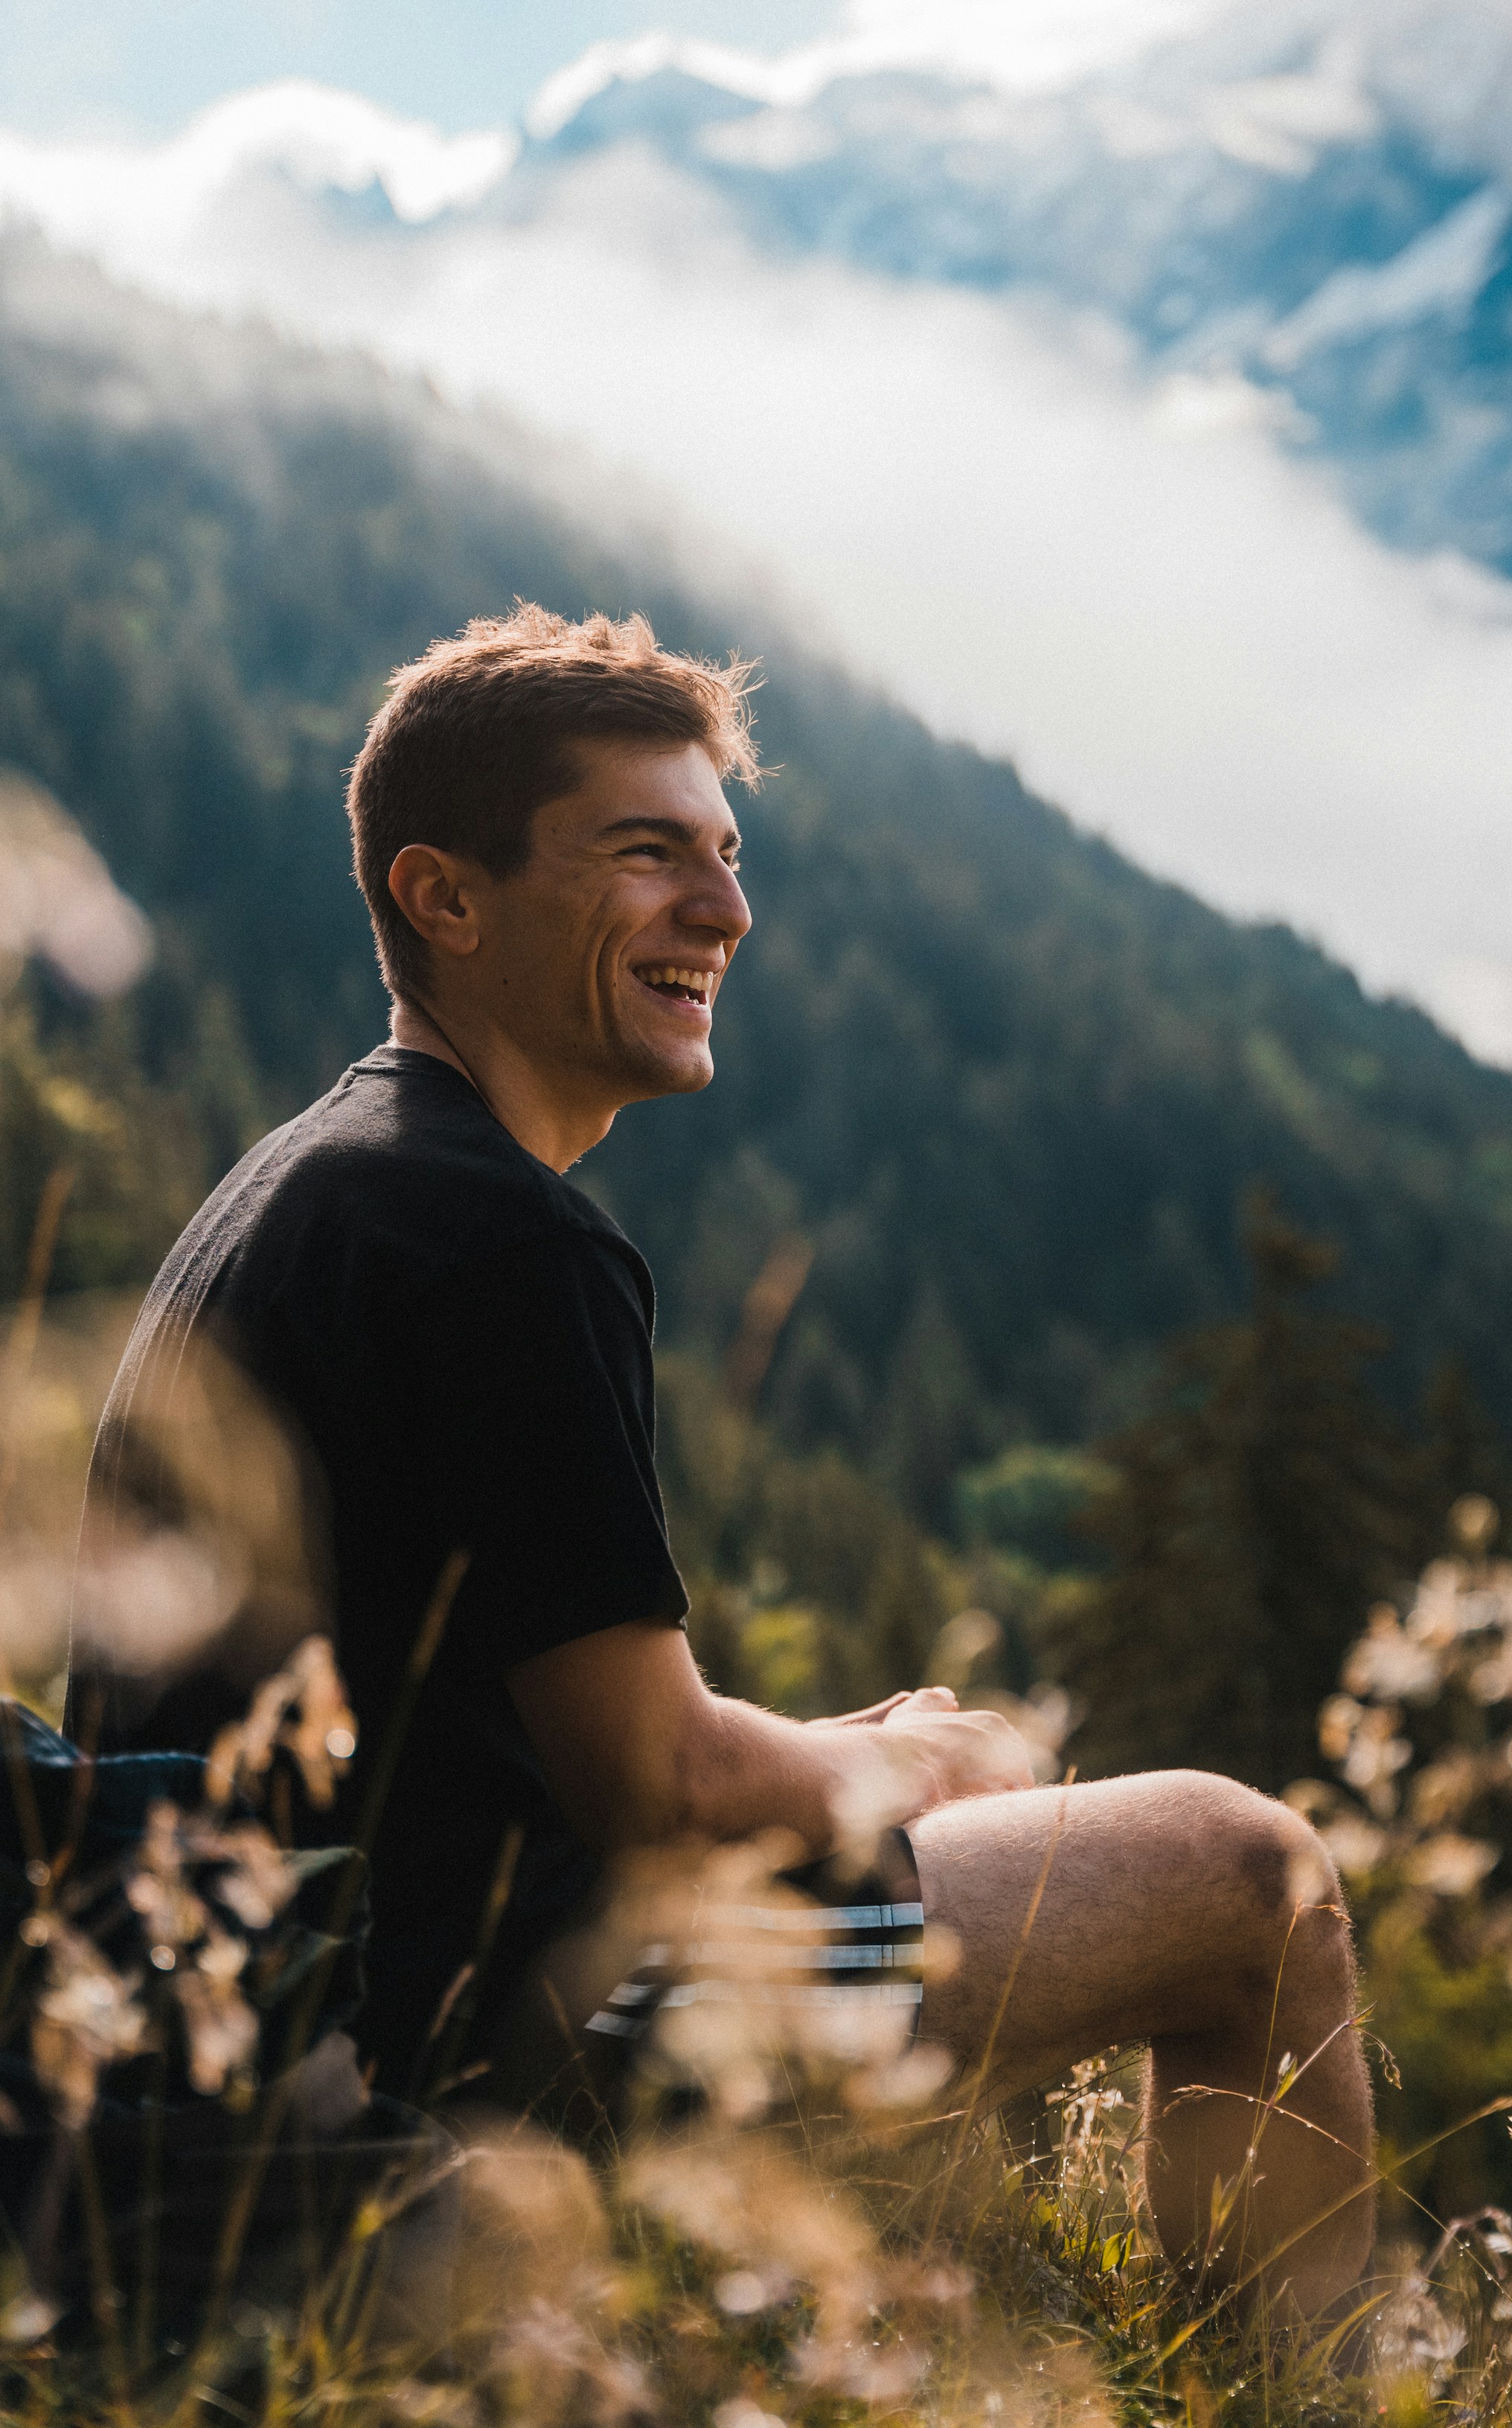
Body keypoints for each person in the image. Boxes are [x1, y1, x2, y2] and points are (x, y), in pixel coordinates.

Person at [74, 605, 1372, 2314]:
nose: (728, 912)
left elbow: (488, 1727)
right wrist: (936, 1768)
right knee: (1241, 1873)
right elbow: (657, 1791)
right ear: (442, 897)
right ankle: (1287, 2404)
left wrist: (854, 1749)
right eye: (645, 853)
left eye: (728, 855)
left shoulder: (324, 1180)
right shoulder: (495, 1237)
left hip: (254, 1998)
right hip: (451, 2031)